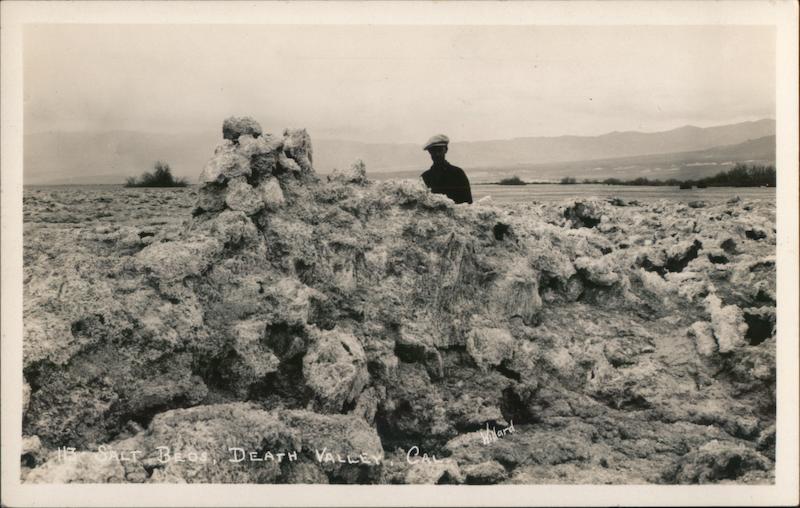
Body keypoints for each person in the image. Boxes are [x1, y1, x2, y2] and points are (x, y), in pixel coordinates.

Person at [420, 134, 472, 204]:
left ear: (446, 150)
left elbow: (468, 203)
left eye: (440, 150)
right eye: (434, 151)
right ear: (429, 152)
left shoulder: (458, 173)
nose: (437, 154)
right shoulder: (425, 177)